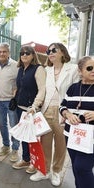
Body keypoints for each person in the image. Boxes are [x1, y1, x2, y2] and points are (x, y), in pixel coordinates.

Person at [30, 43, 79, 186]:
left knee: (60, 144)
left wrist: (70, 112)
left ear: (63, 52)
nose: (50, 53)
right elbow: (42, 91)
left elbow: (76, 92)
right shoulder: (46, 70)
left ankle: (56, 171)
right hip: (46, 110)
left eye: (53, 50)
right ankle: (44, 171)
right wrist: (35, 106)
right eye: (48, 51)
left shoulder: (73, 69)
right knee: (45, 143)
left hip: (63, 112)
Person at [59, 56, 94, 188]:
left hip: (91, 139)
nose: (93, 71)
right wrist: (67, 114)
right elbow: (62, 106)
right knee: (76, 167)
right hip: (71, 135)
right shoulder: (73, 88)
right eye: (89, 68)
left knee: (82, 168)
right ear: (80, 71)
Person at [12, 46, 46, 174]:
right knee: (24, 136)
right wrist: (14, 97)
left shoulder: (38, 69)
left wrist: (35, 106)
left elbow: (42, 89)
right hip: (20, 108)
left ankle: (34, 162)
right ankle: (26, 158)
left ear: (33, 55)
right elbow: (20, 87)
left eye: (27, 53)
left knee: (33, 138)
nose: (24, 55)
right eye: (22, 53)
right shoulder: (21, 69)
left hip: (32, 110)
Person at [0, 42, 19, 162]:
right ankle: (6, 145)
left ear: (9, 53)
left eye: (4, 51)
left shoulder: (15, 66)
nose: (1, 54)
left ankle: (15, 148)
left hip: (11, 101)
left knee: (14, 125)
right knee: (2, 125)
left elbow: (20, 82)